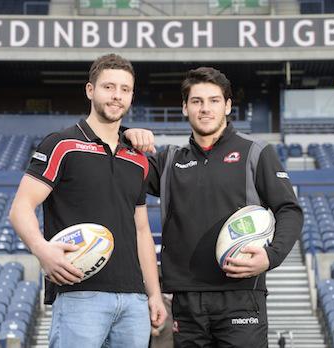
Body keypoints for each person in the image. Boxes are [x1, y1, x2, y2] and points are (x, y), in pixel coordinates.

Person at [124, 67, 303, 348]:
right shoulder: (168, 161)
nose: (205, 108)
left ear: (228, 105)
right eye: (196, 101)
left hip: (241, 297)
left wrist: (271, 256)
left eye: (214, 100)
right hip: (186, 302)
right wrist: (126, 135)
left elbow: (289, 210)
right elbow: (119, 169)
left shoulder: (256, 153)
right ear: (185, 108)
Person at [9, 53, 167, 348]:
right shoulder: (62, 144)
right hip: (80, 295)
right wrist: (42, 250)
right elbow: (20, 208)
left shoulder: (137, 158)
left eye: (125, 89)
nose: (117, 96)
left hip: (133, 301)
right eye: (108, 87)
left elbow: (142, 230)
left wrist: (153, 293)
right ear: (90, 90)